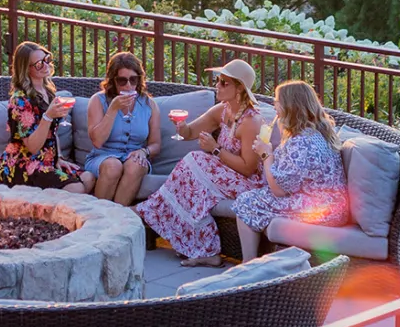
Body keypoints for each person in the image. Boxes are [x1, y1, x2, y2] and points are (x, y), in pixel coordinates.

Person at [135, 59, 266, 266]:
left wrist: (215, 149)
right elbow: (189, 133)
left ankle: (154, 210)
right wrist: (181, 126)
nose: (217, 86)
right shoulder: (222, 110)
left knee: (196, 161)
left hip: (247, 184)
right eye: (218, 81)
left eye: (224, 83)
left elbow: (248, 168)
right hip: (223, 176)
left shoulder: (251, 121)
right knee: (196, 184)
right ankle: (206, 250)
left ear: (240, 88)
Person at [232, 80, 351, 261]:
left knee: (246, 202)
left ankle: (247, 263)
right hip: (331, 203)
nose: (274, 106)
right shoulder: (315, 132)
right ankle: (265, 259)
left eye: (277, 101)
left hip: (323, 209)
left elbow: (278, 190)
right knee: (255, 197)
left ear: (291, 106)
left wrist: (266, 155)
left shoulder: (302, 142)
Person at [0, 42, 92, 192]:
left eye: (47, 59)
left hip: (47, 160)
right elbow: (32, 147)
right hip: (25, 163)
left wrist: (59, 158)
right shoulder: (20, 100)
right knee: (76, 188)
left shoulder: (48, 91)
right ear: (26, 69)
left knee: (89, 178)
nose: (46, 65)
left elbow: (53, 132)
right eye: (39, 64)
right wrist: (48, 116)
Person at [84, 52, 162, 206]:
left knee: (137, 165)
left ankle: (117, 217)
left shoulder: (149, 104)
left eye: (133, 80)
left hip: (134, 155)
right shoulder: (98, 100)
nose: (128, 86)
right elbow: (97, 142)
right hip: (103, 156)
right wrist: (113, 110)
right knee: (113, 166)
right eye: (122, 81)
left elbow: (156, 144)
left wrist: (144, 151)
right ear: (113, 81)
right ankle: (99, 216)